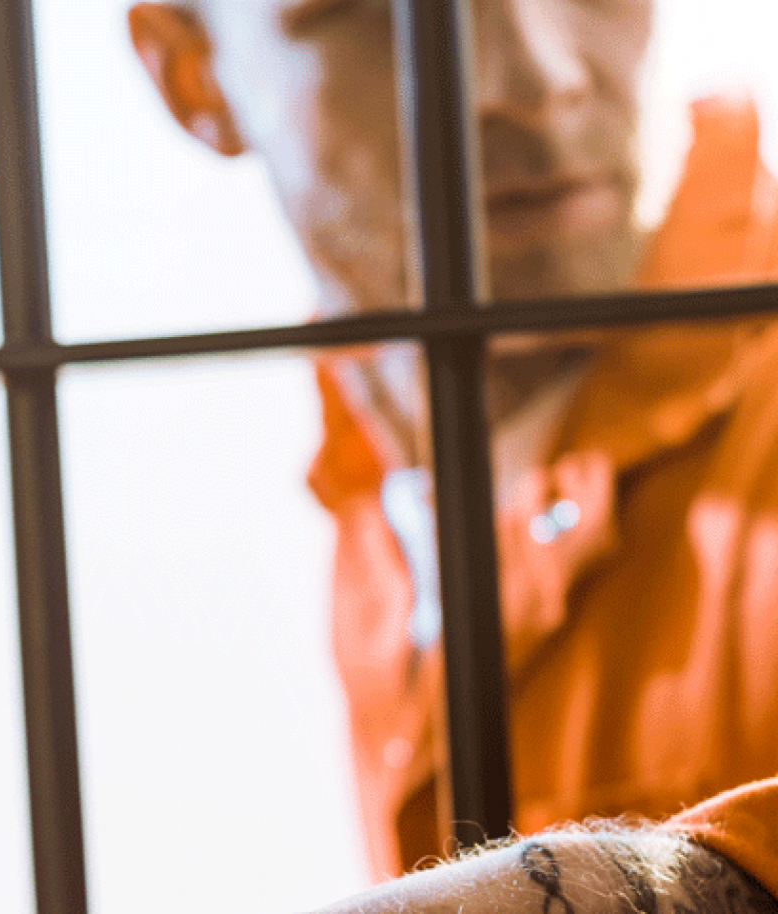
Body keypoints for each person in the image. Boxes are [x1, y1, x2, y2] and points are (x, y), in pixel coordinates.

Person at [128, 0, 778, 910]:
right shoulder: (374, 469)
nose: (534, 79)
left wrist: (687, 884)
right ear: (194, 73)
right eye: (370, 12)